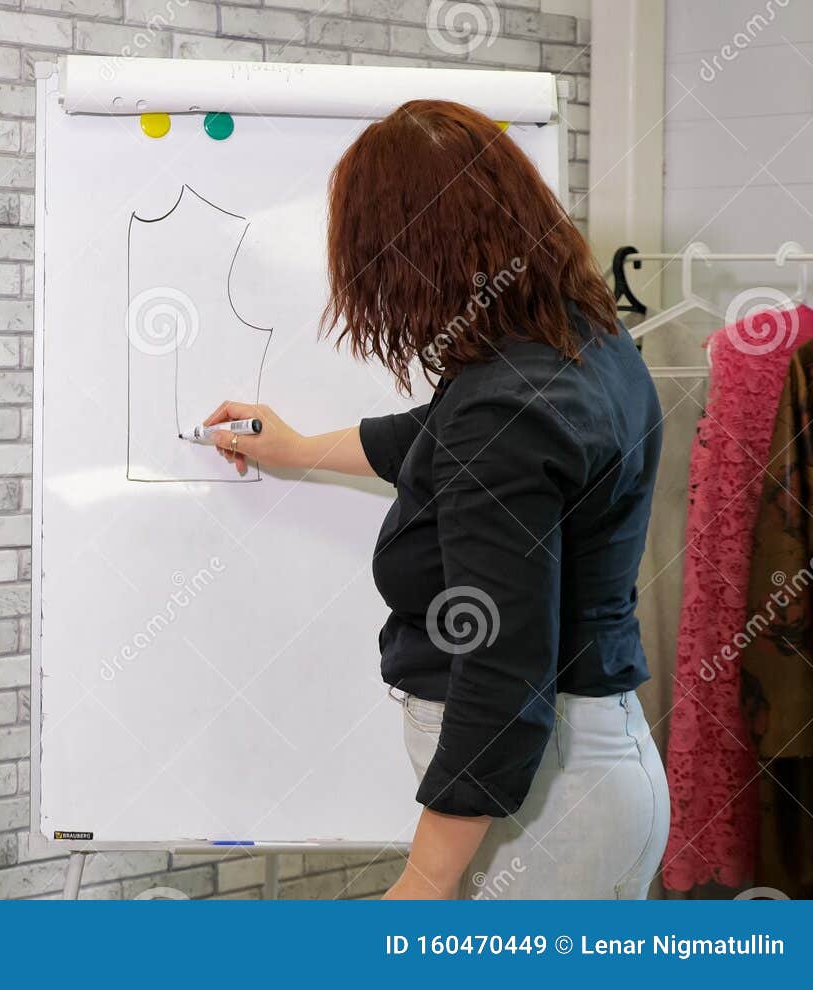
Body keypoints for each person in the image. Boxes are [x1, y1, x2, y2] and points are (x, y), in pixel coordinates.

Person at [203, 100, 667, 899]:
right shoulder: (579, 341)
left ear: (411, 253)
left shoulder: (508, 403)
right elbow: (444, 436)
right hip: (581, 777)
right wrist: (298, 447)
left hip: (548, 808)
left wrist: (421, 880)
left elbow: (503, 675)